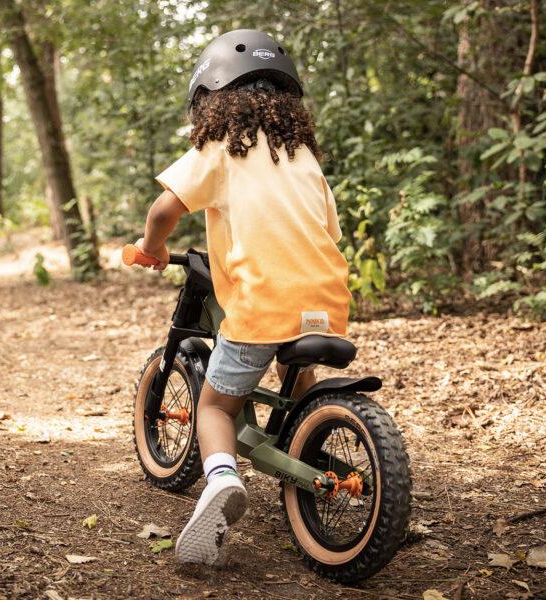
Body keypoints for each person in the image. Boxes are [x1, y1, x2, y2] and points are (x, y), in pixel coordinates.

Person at [136, 29, 351, 565]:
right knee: (297, 373)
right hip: (326, 300)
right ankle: (305, 431)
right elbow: (330, 231)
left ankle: (222, 480)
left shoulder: (219, 149)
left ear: (212, 99)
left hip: (262, 302)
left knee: (214, 404)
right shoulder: (302, 155)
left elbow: (165, 210)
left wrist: (151, 247)